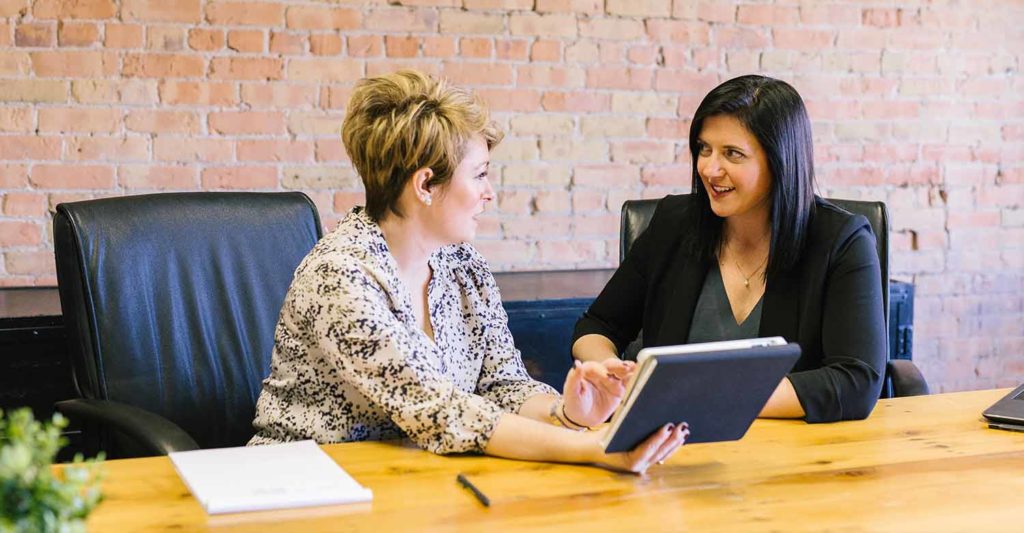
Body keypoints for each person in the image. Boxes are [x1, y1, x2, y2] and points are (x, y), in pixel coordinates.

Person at [249, 70, 688, 473]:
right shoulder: (340, 277)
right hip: (303, 486)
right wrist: (596, 448)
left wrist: (569, 414)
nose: (489, 193)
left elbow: (503, 384)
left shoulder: (463, 264)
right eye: (479, 175)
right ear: (425, 185)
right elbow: (441, 411)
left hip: (416, 481)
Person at [572, 75, 886, 423]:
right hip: (669, 446)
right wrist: (607, 371)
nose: (709, 168)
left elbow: (856, 380)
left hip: (791, 452)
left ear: (780, 160)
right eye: (704, 149)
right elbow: (597, 325)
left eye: (732, 154)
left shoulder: (841, 241)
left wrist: (703, 397)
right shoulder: (674, 224)